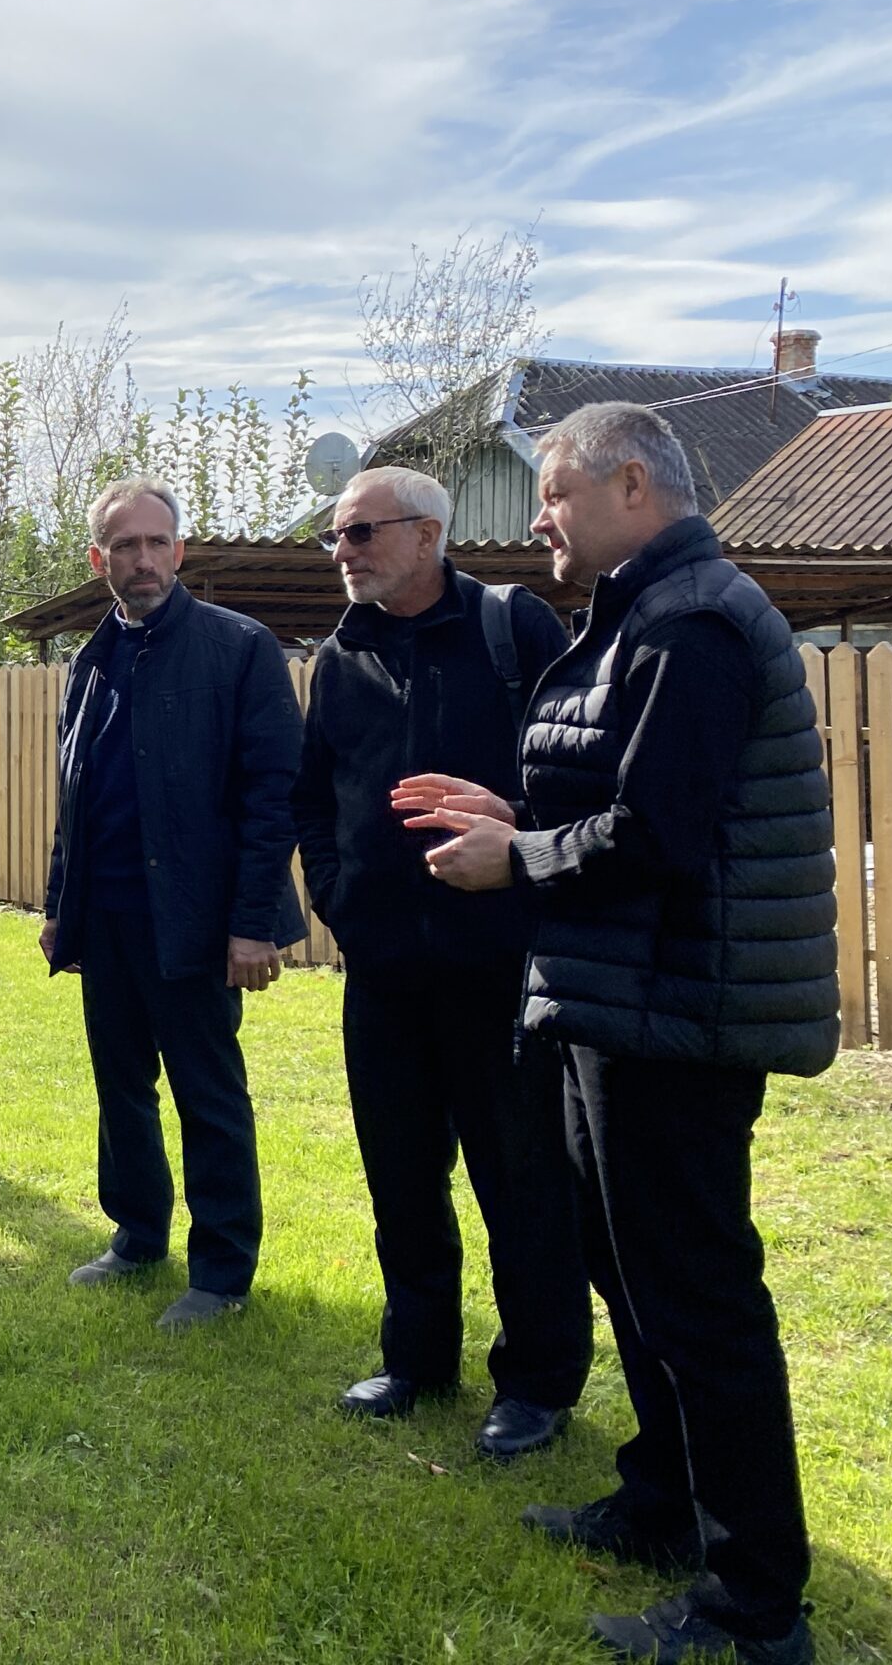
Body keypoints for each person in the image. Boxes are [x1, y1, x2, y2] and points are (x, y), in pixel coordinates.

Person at [400, 402, 836, 1665]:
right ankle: (659, 1508)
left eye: (551, 492)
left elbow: (657, 834)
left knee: (698, 1304)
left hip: (676, 1016)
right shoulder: (643, 611)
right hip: (617, 999)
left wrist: (513, 857)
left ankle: (754, 1608)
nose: (536, 518)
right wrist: (517, 807)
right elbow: (619, 790)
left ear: (630, 485)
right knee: (632, 1278)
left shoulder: (692, 621)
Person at [292, 467, 590, 1461]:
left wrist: (518, 859)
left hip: (497, 969)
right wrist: (340, 900)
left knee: (522, 1182)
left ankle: (538, 1383)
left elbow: (576, 785)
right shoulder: (341, 660)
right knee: (402, 1180)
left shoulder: (515, 633)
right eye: (337, 537)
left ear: (426, 536)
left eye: (361, 533)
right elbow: (313, 796)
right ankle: (417, 1361)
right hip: (382, 974)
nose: (344, 552)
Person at [40, 476, 305, 1332]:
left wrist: (252, 923)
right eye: (125, 546)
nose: (142, 559)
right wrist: (59, 906)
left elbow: (274, 797)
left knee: (208, 1094)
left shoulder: (239, 649)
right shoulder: (89, 661)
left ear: (180, 551)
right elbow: (76, 797)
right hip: (108, 916)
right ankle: (137, 1236)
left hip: (194, 917)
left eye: (157, 543)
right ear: (98, 560)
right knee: (121, 1086)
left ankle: (222, 1272)